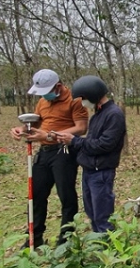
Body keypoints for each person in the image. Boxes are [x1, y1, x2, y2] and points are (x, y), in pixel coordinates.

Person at [10, 69, 88, 248]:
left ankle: (66, 240)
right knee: (36, 194)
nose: (45, 95)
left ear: (58, 86)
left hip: (64, 152)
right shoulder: (42, 102)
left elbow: (81, 128)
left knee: (66, 196)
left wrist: (50, 134)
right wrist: (21, 130)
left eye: (47, 91)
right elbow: (36, 124)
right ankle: (34, 237)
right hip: (44, 152)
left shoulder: (75, 100)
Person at [55, 76, 126, 234]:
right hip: (89, 170)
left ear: (93, 95)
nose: (82, 103)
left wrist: (75, 141)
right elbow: (92, 141)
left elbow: (104, 145)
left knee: (102, 216)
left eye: (83, 98)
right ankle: (99, 246)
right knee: (92, 213)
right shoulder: (98, 115)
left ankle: (108, 251)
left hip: (101, 172)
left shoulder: (114, 115)